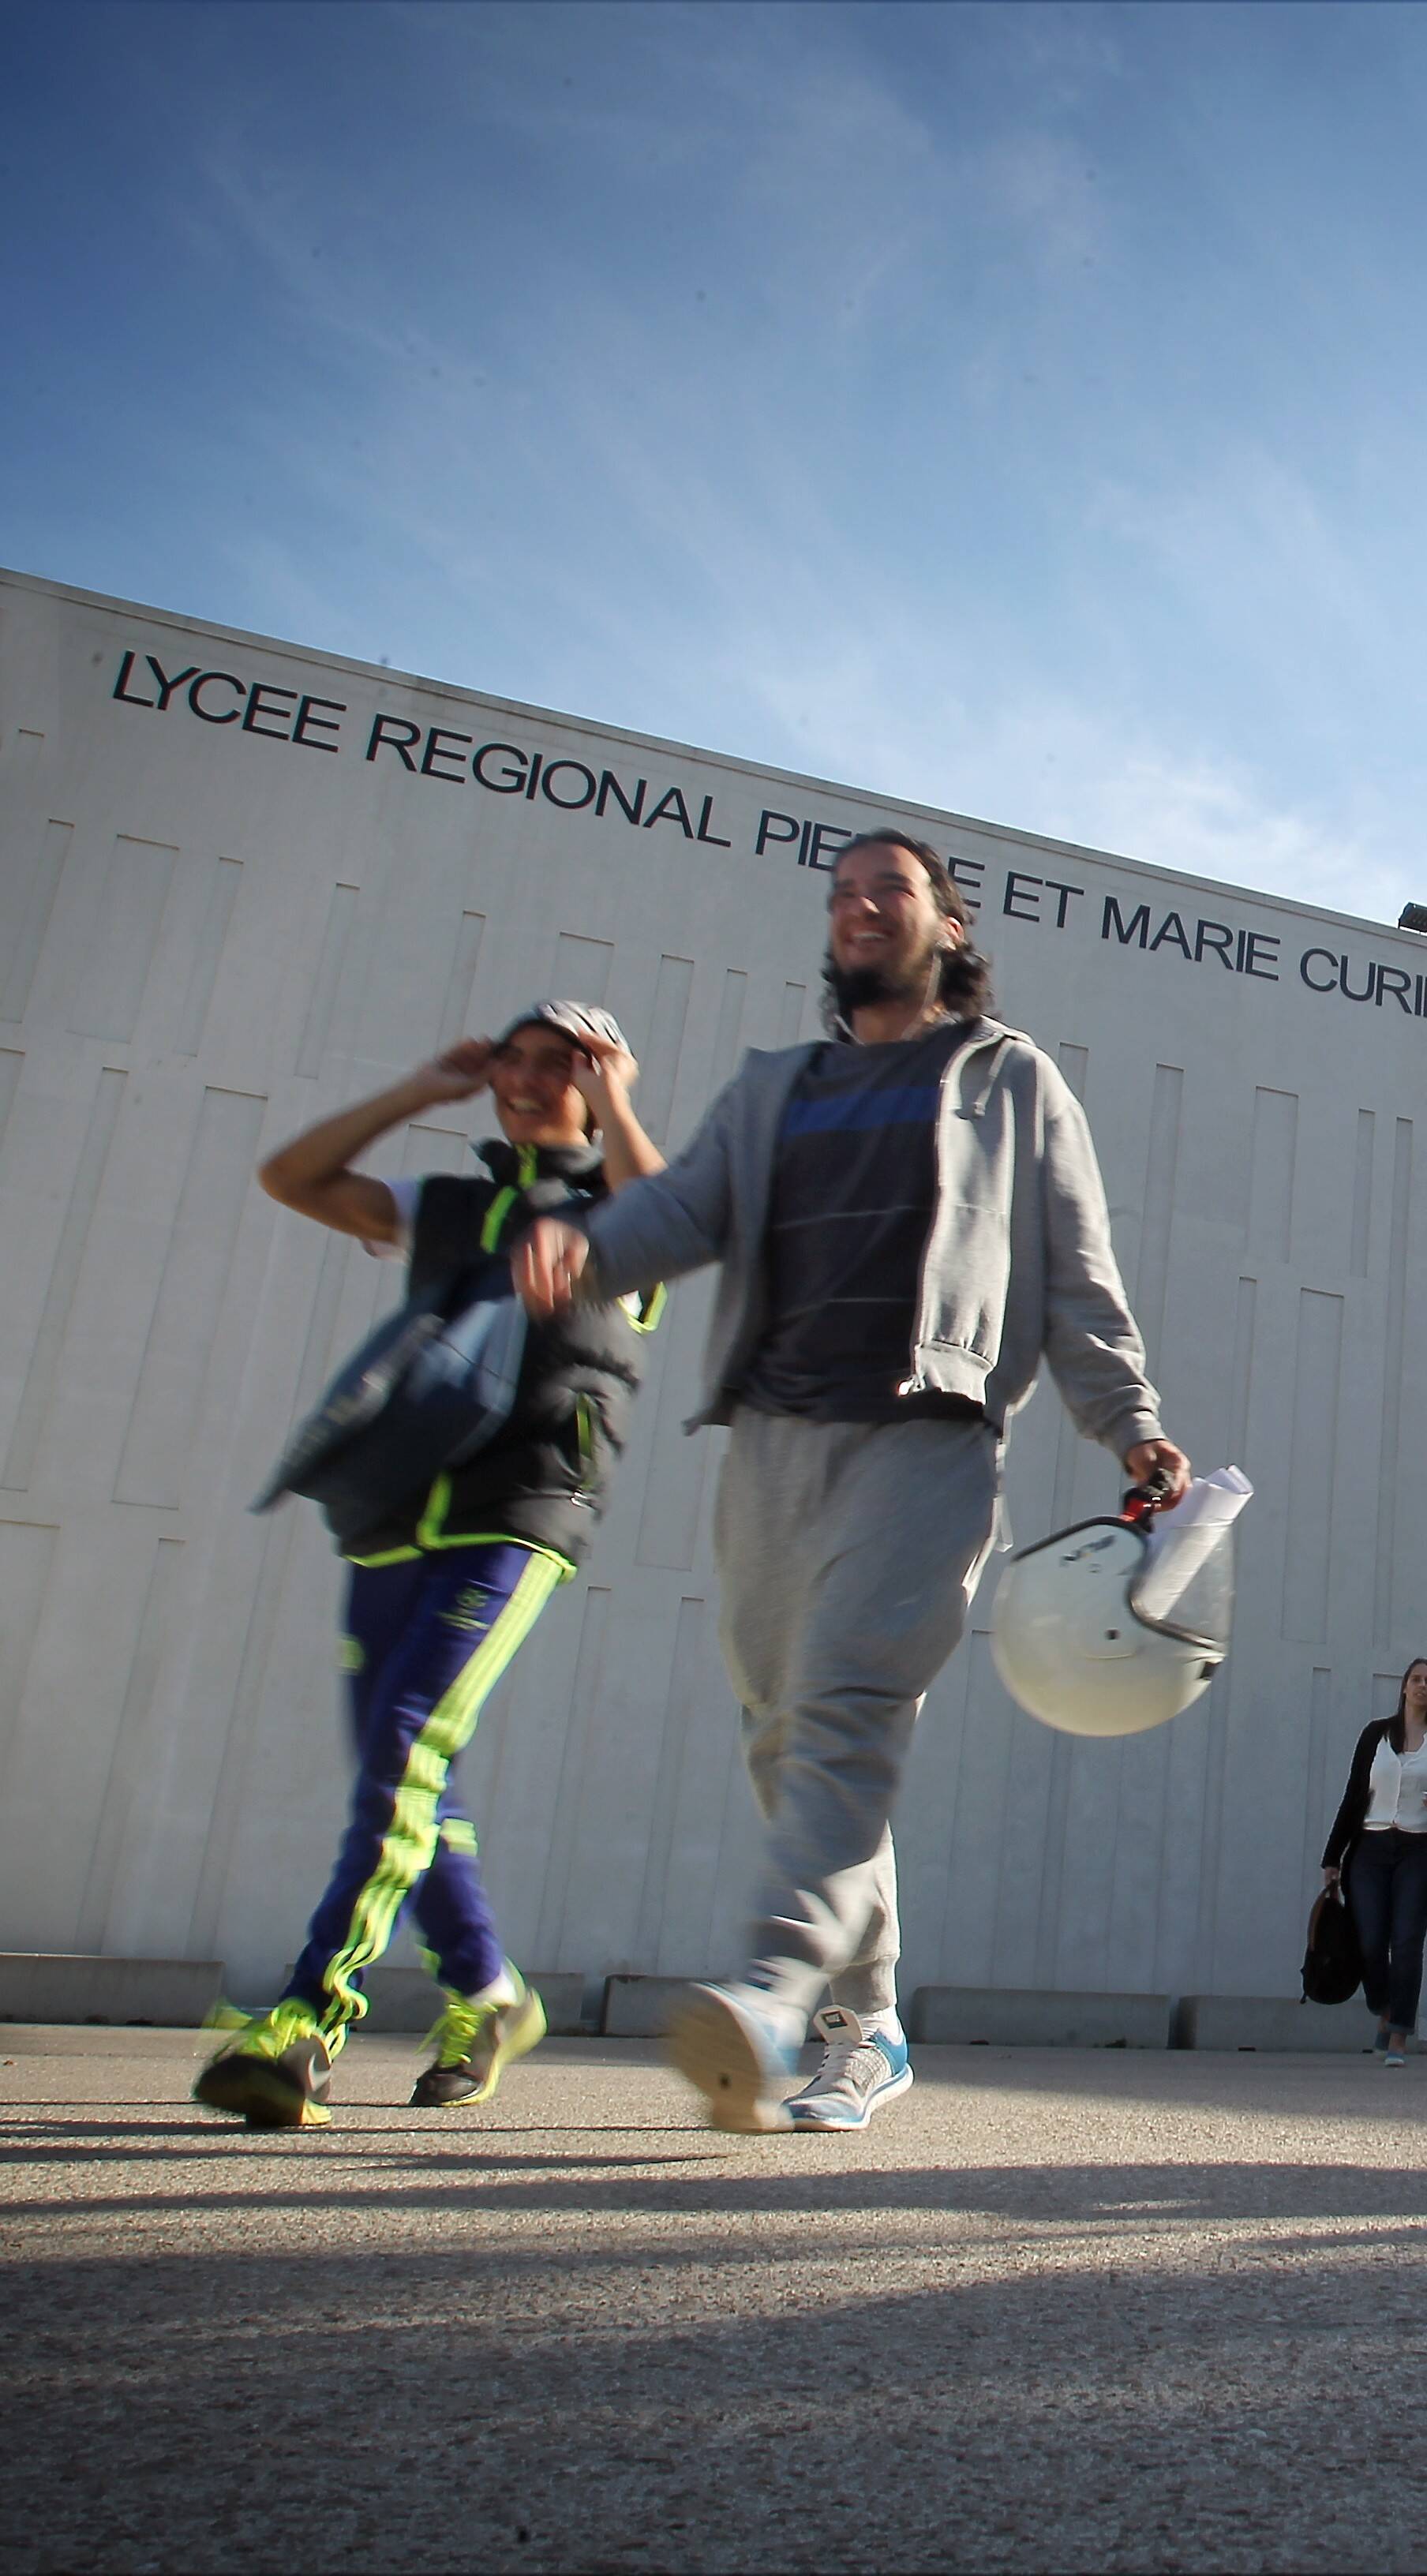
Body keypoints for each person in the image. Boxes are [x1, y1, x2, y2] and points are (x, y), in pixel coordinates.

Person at [513, 827, 1189, 2135]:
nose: (860, 907)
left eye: (891, 888)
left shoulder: (1007, 1078)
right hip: (772, 1442)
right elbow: (683, 1209)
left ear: (948, 922)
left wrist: (1130, 1421)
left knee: (844, 1714)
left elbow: (1075, 1271)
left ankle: (772, 1990)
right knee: (785, 1730)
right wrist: (583, 1251)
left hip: (925, 1435)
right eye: (842, 893)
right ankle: (865, 2020)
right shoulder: (778, 1086)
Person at [196, 1004, 663, 2128]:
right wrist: (420, 1089)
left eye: (562, 1065)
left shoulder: (629, 1215)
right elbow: (292, 1177)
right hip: (399, 1511)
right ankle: (488, 1992)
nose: (530, 1079)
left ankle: (308, 2014)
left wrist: (616, 1101)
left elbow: (667, 1216)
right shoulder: (448, 1206)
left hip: (522, 1509)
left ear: (596, 1081)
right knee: (402, 1769)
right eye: (516, 1060)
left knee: (407, 1740)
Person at [1323, 1660, 1427, 2066]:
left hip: (1421, 1850)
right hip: (1371, 1847)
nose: (1423, 1686)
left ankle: (1399, 2036)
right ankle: (1385, 2007)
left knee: (1406, 1941)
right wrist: (1332, 1856)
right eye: (1417, 1680)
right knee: (1370, 1940)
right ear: (1404, 1687)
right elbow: (1353, 1796)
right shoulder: (1375, 1734)